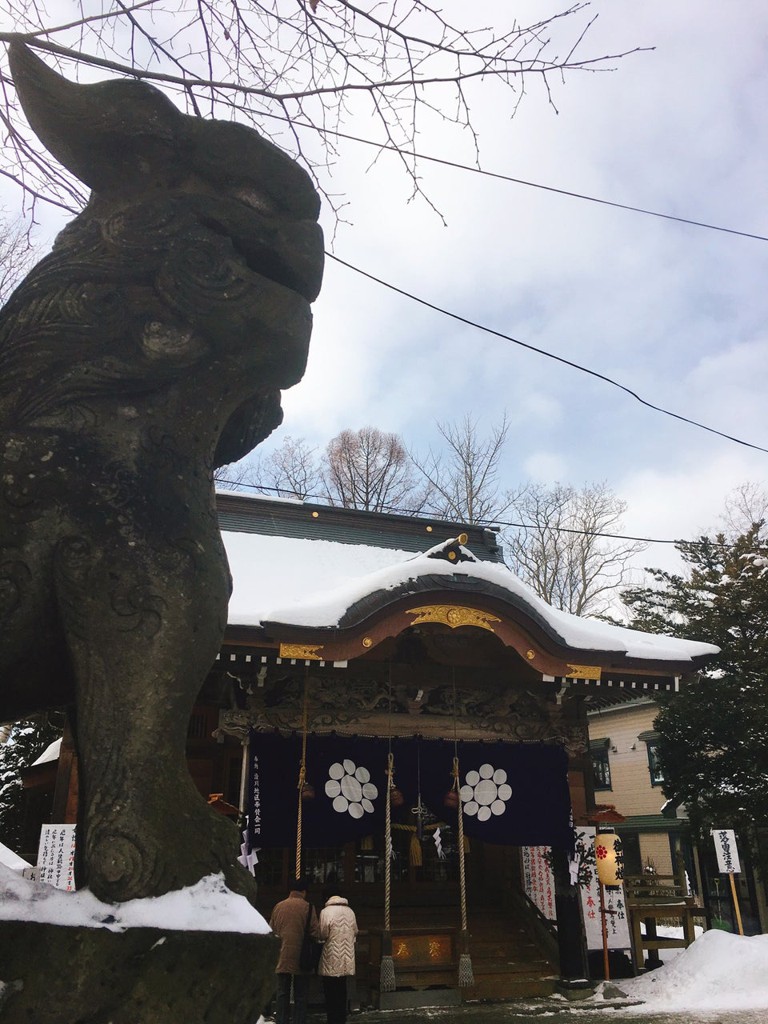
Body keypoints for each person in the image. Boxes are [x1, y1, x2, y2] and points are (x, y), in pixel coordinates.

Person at [269, 876, 320, 1024]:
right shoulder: (308, 907)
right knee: (301, 995)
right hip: (302, 955)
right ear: (304, 891)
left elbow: (272, 929)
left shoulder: (278, 906)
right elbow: (315, 932)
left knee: (282, 993)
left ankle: (282, 1020)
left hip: (282, 953)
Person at [317, 888, 358, 1024]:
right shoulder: (350, 911)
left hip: (331, 955)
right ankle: (341, 1018)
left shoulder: (325, 912)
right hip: (346, 956)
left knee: (330, 990)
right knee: (342, 988)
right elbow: (355, 931)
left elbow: (323, 933)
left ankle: (332, 1018)